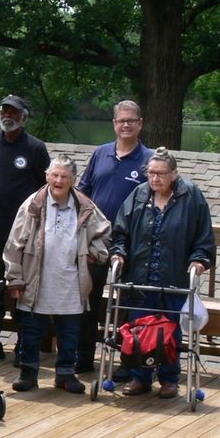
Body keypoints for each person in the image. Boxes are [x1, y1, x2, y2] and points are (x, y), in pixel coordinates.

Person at [110, 147, 215, 399]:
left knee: (169, 330)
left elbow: (204, 237)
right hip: (139, 276)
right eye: (151, 173)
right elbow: (120, 231)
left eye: (161, 173)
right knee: (138, 328)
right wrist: (118, 252)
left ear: (174, 174)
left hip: (174, 276)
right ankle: (140, 378)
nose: (155, 178)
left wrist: (200, 260)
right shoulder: (138, 194)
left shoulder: (191, 196)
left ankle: (169, 379)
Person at [4, 155, 111, 394]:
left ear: (73, 179)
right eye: (55, 175)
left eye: (64, 176)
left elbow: (104, 232)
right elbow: (13, 244)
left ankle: (65, 374)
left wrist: (94, 253)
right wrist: (15, 278)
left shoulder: (85, 206)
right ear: (47, 176)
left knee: (70, 332)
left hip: (71, 281)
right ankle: (28, 374)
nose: (59, 180)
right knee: (31, 332)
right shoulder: (32, 204)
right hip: (35, 279)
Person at [76, 100, 155, 375]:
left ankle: (126, 362)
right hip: (97, 240)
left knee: (126, 303)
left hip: (132, 244)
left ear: (140, 123)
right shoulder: (100, 154)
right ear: (113, 124)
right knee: (88, 299)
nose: (125, 125)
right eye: (121, 120)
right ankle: (83, 357)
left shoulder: (148, 160)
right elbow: (82, 192)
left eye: (131, 120)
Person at [0, 94, 51, 359]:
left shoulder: (36, 148)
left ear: (24, 116)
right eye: (4, 111)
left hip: (24, 238)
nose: (8, 116)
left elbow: (45, 190)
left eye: (14, 112)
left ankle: (23, 347)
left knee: (24, 293)